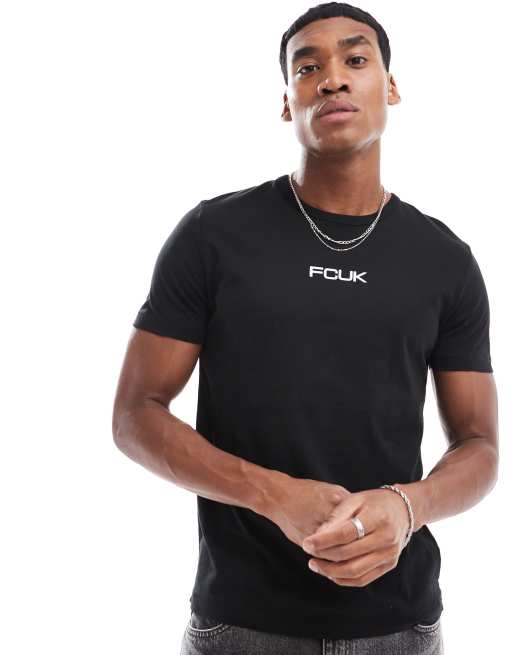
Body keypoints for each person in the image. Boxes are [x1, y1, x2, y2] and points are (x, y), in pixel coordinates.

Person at [112, 3, 498, 654]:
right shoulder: (213, 235)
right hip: (241, 623)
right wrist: (272, 494)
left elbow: (479, 444)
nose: (332, 78)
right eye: (307, 67)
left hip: (399, 626)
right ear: (287, 102)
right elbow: (134, 415)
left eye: (355, 59)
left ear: (390, 87)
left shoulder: (444, 259)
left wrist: (408, 506)